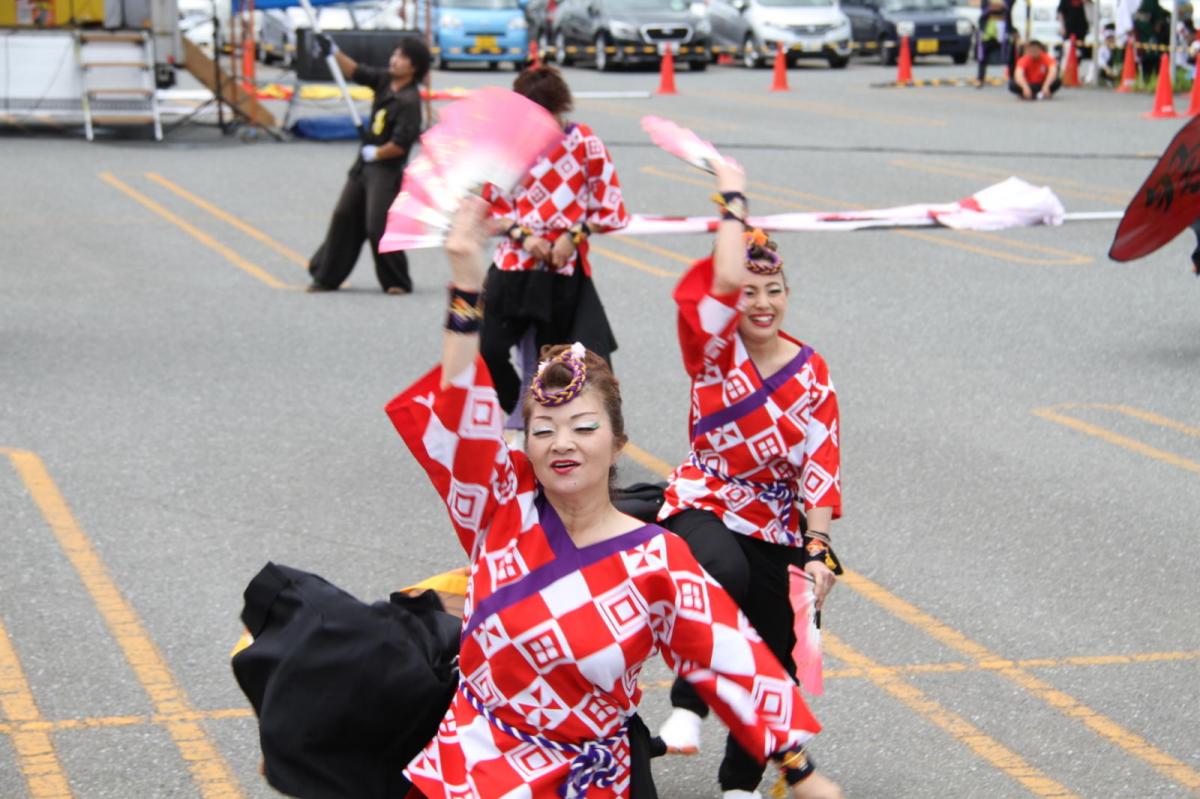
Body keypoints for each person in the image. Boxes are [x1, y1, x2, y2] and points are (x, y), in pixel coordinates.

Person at [384, 189, 830, 799]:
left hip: (590, 781)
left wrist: (801, 773)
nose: (561, 443)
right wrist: (466, 282)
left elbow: (735, 662)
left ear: (618, 443)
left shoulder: (659, 559)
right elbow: (461, 407)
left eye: (583, 427)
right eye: (542, 429)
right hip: (473, 769)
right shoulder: (501, 508)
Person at [653, 162, 844, 799]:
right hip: (703, 500)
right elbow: (727, 274)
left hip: (775, 520)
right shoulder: (712, 348)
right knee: (721, 574)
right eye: (749, 292)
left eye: (774, 291)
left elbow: (821, 467)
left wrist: (817, 550)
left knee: (778, 656)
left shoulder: (813, 372)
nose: (760, 303)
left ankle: (740, 784)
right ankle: (688, 705)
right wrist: (734, 195)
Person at [481, 65, 629, 415]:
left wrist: (572, 237)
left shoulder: (586, 143)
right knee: (486, 347)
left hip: (563, 266)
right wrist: (524, 236)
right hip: (515, 262)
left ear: (561, 108)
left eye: (545, 114)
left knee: (573, 361)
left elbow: (610, 207)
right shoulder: (510, 144)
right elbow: (492, 205)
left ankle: (562, 423)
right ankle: (519, 409)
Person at [306, 34, 429, 294]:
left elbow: (401, 143)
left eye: (402, 57)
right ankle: (326, 276)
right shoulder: (386, 80)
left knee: (377, 226)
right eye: (395, 54)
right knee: (343, 216)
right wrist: (334, 51)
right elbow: (357, 72)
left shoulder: (410, 101)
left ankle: (397, 280)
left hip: (385, 169)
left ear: (414, 66)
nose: (394, 60)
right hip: (363, 165)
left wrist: (377, 153)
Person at [976, 0, 1013, 86]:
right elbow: (981, 22)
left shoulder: (1006, 12)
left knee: (1010, 57)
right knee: (982, 58)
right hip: (989, 36)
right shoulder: (986, 14)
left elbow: (1010, 22)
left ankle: (1012, 78)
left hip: (1003, 35)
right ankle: (980, 79)